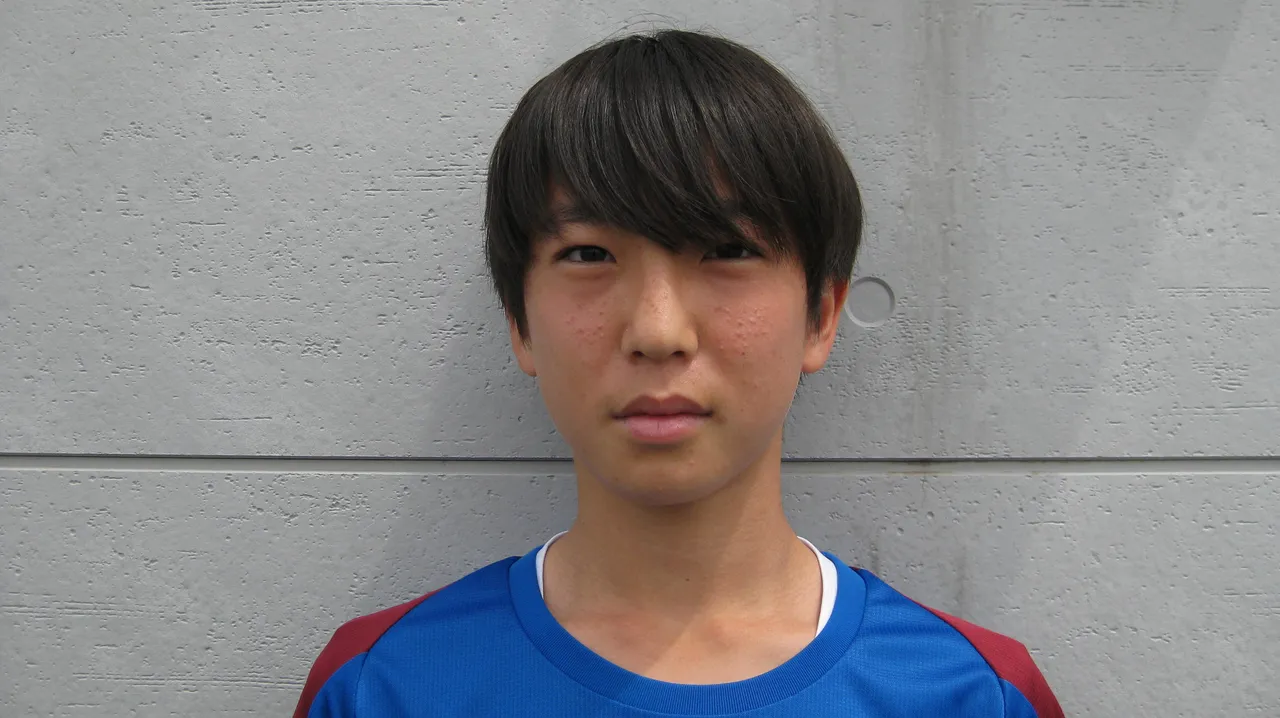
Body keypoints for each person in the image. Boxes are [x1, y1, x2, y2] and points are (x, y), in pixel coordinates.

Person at [293, 28, 1064, 718]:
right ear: (520, 321)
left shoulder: (972, 695)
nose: (658, 331)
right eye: (588, 254)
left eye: (729, 251)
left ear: (822, 316)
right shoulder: (383, 687)